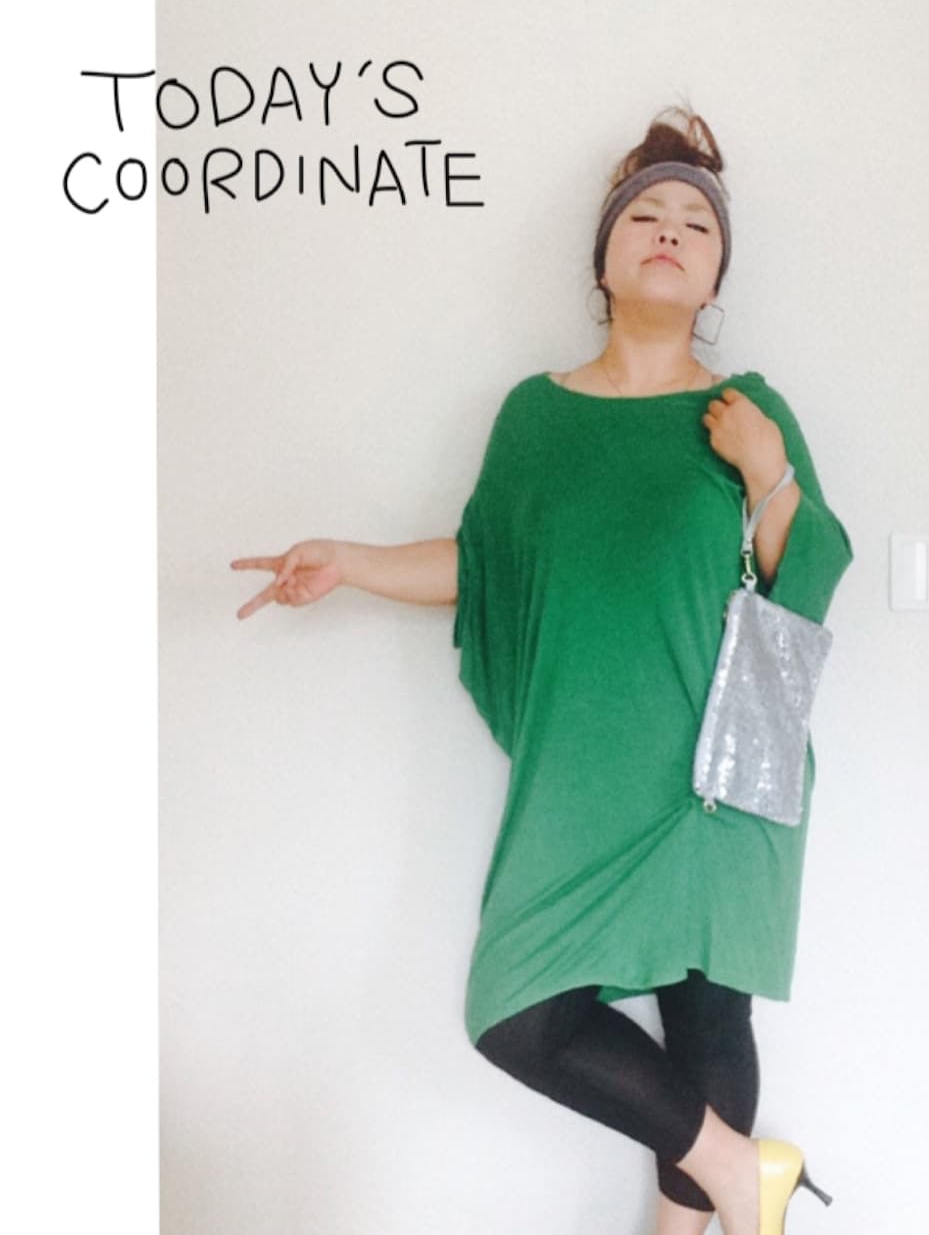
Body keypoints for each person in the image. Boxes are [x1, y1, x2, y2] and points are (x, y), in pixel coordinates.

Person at [231, 106, 853, 1235]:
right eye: (647, 215)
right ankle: (745, 1174)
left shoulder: (749, 411)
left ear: (716, 275)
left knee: (710, 1023)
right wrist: (352, 561)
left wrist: (768, 472)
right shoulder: (535, 415)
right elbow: (487, 565)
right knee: (516, 1011)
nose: (670, 232)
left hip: (717, 777)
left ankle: (713, 1203)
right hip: (587, 774)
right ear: (603, 258)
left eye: (697, 224)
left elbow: (805, 577)